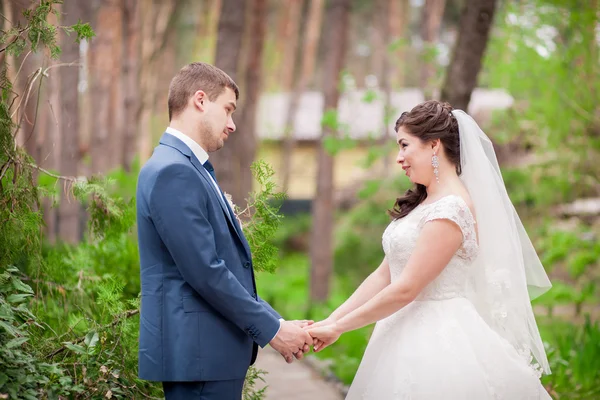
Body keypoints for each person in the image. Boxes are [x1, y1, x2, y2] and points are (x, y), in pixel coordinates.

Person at [307, 100, 553, 399]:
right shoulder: (425, 204)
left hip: (439, 342)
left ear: (434, 145)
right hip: (399, 332)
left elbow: (406, 288)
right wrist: (330, 321)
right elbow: (384, 275)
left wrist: (340, 328)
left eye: (404, 145)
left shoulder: (451, 209)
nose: (399, 158)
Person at [136, 62, 312, 400]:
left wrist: (278, 321)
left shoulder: (185, 167)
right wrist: (273, 330)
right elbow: (205, 272)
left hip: (205, 357)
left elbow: (221, 269)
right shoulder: (174, 171)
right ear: (200, 100)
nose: (232, 124)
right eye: (228, 110)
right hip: (200, 358)